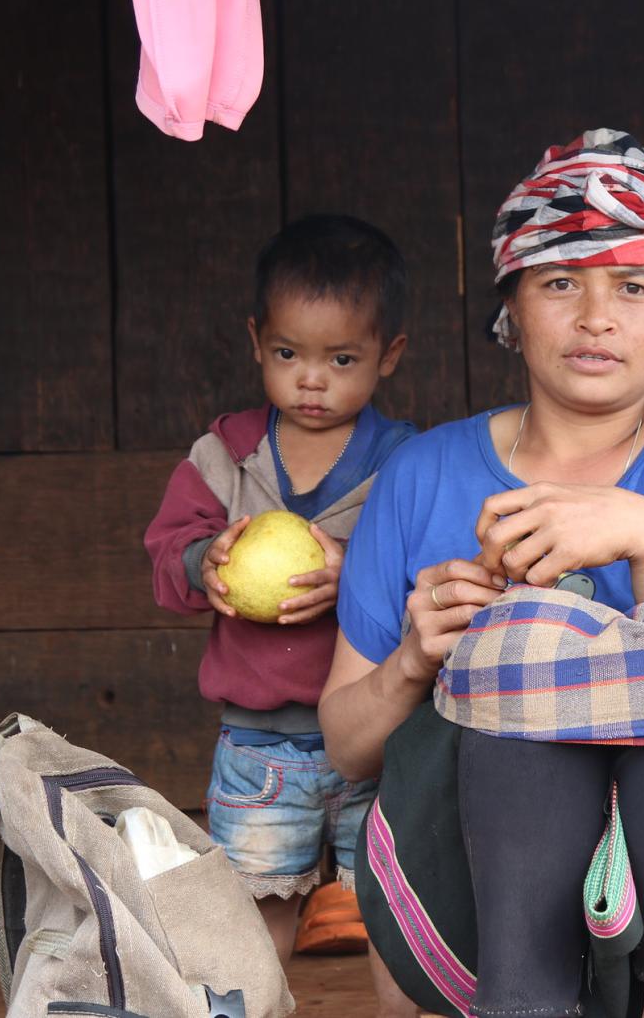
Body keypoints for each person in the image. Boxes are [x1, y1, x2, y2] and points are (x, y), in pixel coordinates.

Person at [321, 129, 644, 1018]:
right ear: (513, 309)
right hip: (485, 874)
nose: (597, 317)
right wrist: (412, 659)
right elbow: (348, 745)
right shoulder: (421, 473)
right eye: (560, 283)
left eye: (635, 287)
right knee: (513, 665)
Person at [143, 214, 417, 1014]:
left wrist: (358, 572)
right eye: (289, 355)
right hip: (260, 749)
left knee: (398, 914)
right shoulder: (223, 457)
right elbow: (167, 553)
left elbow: (440, 571)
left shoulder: (407, 463)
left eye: (342, 360)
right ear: (257, 341)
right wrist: (208, 566)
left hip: (379, 742)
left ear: (388, 356)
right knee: (248, 924)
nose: (311, 381)